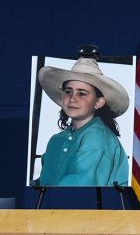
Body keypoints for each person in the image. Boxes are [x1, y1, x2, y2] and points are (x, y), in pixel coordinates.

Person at [37, 53, 130, 187]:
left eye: (82, 93)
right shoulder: (56, 141)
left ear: (98, 102)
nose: (72, 98)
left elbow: (81, 186)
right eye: (68, 91)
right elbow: (43, 182)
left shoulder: (97, 137)